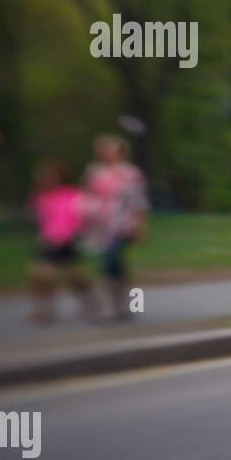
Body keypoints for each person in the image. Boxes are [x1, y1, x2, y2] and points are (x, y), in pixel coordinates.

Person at [84, 134, 149, 320]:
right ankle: (117, 305)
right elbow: (88, 196)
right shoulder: (95, 172)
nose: (107, 154)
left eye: (111, 150)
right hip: (100, 224)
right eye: (104, 150)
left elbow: (138, 201)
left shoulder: (131, 173)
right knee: (112, 264)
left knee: (111, 259)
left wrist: (140, 225)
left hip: (123, 223)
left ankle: (115, 307)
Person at [28, 160, 98, 324]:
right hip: (48, 241)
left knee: (75, 278)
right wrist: (40, 236)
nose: (47, 179)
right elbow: (41, 220)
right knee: (40, 275)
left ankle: (89, 303)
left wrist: (71, 235)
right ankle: (43, 310)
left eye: (51, 176)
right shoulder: (40, 197)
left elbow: (82, 218)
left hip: (69, 241)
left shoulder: (72, 194)